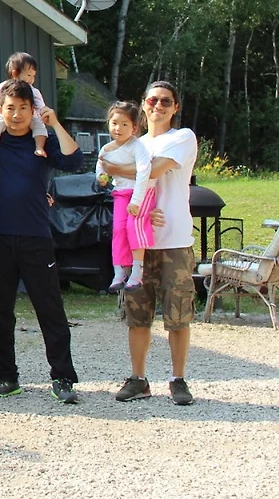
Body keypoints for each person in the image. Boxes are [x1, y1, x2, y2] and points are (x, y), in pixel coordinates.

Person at [0, 79, 84, 404]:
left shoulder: (42, 140)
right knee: (1, 312)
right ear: (0, 110)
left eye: (23, 108)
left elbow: (75, 161)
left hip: (37, 237)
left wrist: (55, 122)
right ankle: (6, 376)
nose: (16, 114)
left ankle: (62, 377)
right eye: (10, 108)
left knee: (50, 310)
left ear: (33, 110)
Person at [106, 81, 198, 406]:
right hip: (138, 242)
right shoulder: (134, 142)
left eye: (166, 101)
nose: (158, 105)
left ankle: (178, 380)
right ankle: (138, 379)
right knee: (137, 315)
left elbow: (154, 169)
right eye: (152, 100)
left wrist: (114, 166)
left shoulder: (182, 137)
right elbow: (120, 188)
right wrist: (144, 209)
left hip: (174, 240)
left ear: (176, 107)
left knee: (178, 315)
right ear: (143, 104)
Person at [97, 101, 158, 294]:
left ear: (134, 127)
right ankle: (119, 271)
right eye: (115, 123)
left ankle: (137, 271)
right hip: (121, 192)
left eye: (124, 124)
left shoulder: (137, 147)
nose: (118, 128)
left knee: (134, 227)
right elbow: (100, 166)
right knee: (118, 229)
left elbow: (144, 172)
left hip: (141, 192)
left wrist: (136, 201)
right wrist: (101, 177)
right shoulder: (107, 149)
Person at [0, 52, 49, 161]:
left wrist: (44, 112)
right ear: (15, 74)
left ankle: (39, 147)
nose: (32, 79)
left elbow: (40, 105)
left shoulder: (33, 90)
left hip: (30, 119)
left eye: (33, 76)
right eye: (29, 75)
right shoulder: (4, 87)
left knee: (40, 127)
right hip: (7, 120)